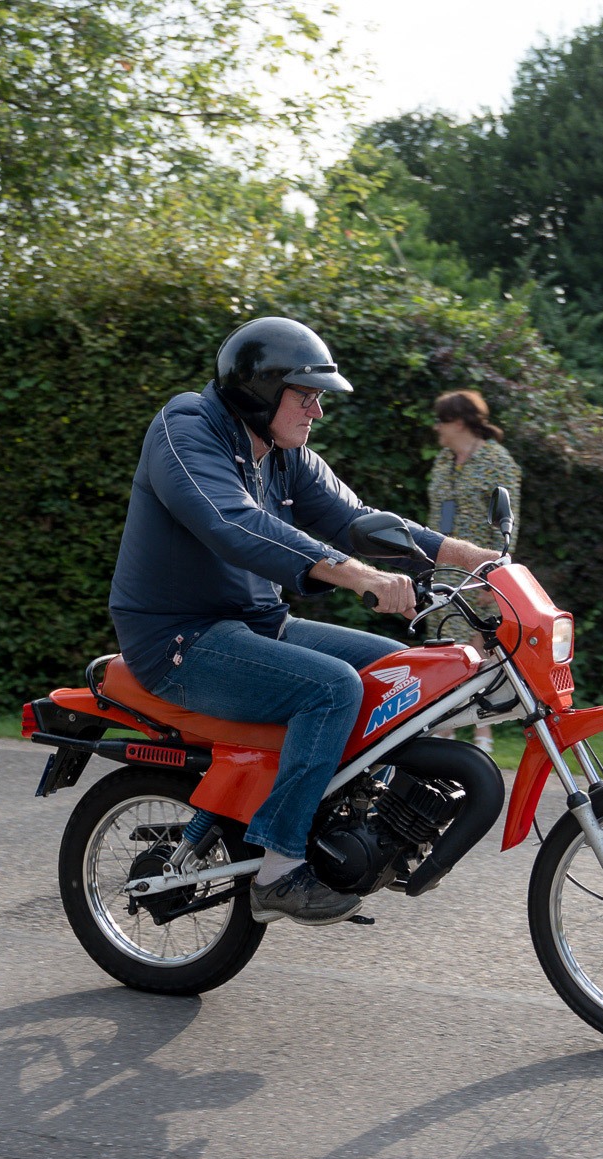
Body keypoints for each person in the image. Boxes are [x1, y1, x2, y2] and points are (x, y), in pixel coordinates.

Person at [107, 317, 501, 925]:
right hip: (179, 638)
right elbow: (234, 524)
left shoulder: (284, 455)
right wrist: (360, 576)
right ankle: (278, 867)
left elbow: (357, 521)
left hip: (256, 625)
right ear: (260, 391)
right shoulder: (185, 430)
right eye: (306, 396)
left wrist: (475, 558)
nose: (317, 411)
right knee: (332, 688)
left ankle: (353, 825)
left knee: (402, 671)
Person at [426, 389, 521, 753]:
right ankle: (446, 729)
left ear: (461, 422)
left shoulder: (497, 461)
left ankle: (483, 732)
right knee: (448, 653)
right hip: (443, 573)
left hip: (480, 574)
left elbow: (509, 522)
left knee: (482, 652)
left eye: (442, 420)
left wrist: (495, 576)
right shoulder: (443, 461)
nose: (437, 427)